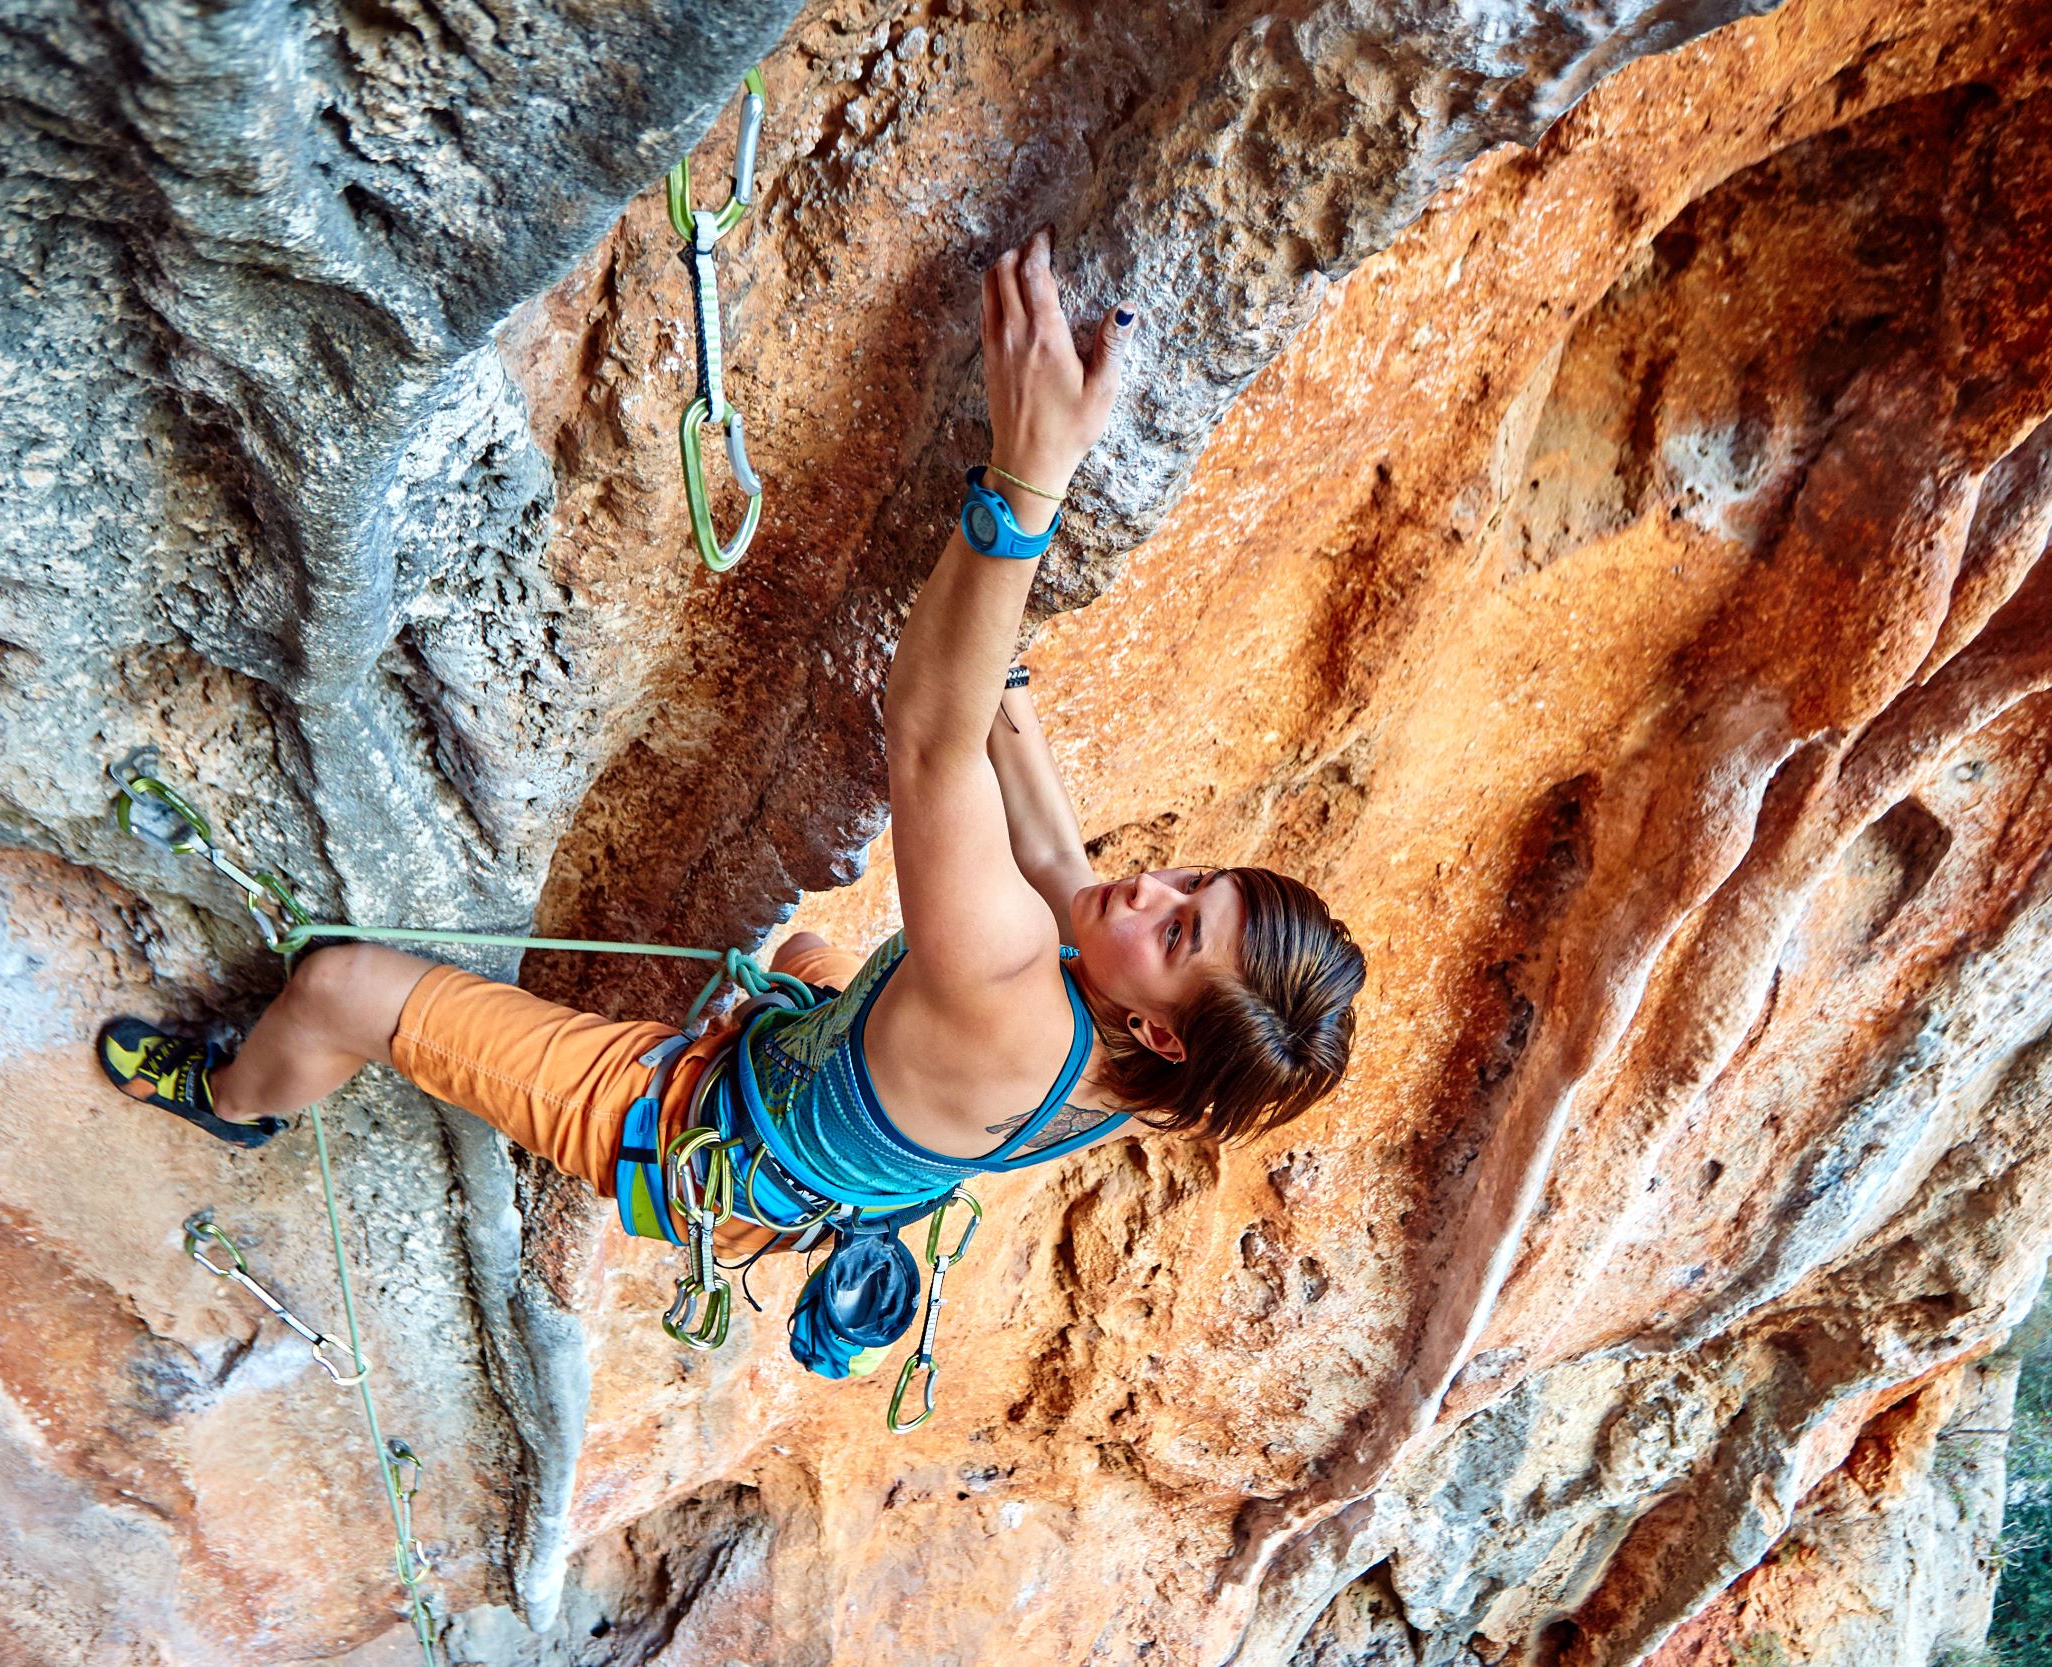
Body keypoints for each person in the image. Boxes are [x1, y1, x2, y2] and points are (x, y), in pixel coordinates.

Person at [98, 229, 1365, 1278]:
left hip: (681, 1125)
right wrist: (999, 643)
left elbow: (925, 729)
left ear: (1148, 1026)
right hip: (815, 1114)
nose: (1156, 889)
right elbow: (1035, 833)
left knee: (340, 990)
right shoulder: (1143, 1063)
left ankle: (234, 1101)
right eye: (1200, 883)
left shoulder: (1017, 990)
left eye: (1181, 932)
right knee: (816, 956)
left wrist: (1026, 480)